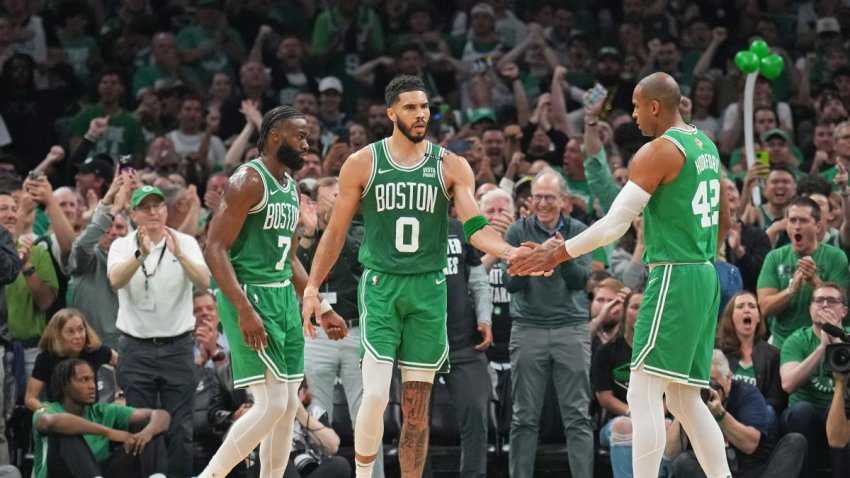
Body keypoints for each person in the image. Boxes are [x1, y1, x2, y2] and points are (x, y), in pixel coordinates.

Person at [509, 72, 732, 478]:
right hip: (704, 273)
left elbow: (615, 225)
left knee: (644, 390)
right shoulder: (705, 144)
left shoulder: (658, 152)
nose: (631, 114)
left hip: (674, 275)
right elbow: (724, 213)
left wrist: (557, 253)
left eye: (634, 105)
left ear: (654, 106)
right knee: (684, 400)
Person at [300, 75, 519, 478]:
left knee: (417, 412)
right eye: (411, 107)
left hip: (429, 289)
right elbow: (334, 233)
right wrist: (312, 286)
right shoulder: (363, 162)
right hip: (383, 284)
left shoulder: (451, 164)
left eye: (424, 107)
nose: (421, 115)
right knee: (378, 395)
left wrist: (510, 250)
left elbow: (475, 226)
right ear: (390, 113)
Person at [200, 105, 348, 478]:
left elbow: (290, 259)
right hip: (251, 295)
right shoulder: (248, 180)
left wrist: (320, 304)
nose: (306, 144)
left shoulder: (288, 186)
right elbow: (214, 248)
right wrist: (243, 308)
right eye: (300, 136)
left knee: (285, 407)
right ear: (276, 136)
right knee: (269, 406)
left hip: (283, 297)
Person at [107, 184, 210, 478]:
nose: (153, 212)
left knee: (181, 427)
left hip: (177, 348)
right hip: (136, 348)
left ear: (166, 210)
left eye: (158, 206)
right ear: (134, 213)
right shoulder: (122, 245)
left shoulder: (186, 242)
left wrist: (180, 254)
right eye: (146, 208)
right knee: (140, 424)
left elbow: (203, 281)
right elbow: (115, 279)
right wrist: (140, 254)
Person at [502, 169, 595, 478]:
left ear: (563, 200)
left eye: (549, 197)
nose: (542, 203)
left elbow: (580, 281)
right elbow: (510, 285)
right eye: (537, 197)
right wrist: (525, 262)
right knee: (523, 417)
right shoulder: (517, 231)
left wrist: (561, 253)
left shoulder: (579, 230)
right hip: (528, 327)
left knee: (578, 416)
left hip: (571, 326)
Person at [669, 350, 807, 478]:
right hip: (715, 472)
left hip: (754, 471)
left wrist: (720, 415)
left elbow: (750, 445)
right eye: (701, 381)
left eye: (711, 381)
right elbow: (670, 453)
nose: (707, 388)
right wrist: (682, 408)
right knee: (682, 461)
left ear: (728, 377)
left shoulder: (747, 394)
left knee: (795, 441)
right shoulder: (692, 399)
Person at [32, 359, 170, 478]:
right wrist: (109, 432)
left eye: (93, 379)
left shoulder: (103, 411)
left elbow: (161, 415)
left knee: (147, 425)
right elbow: (52, 422)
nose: (92, 386)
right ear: (65, 386)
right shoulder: (47, 409)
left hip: (102, 471)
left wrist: (148, 433)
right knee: (65, 431)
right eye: (84, 380)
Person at [779, 282, 850, 477]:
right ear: (810, 309)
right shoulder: (797, 340)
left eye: (832, 301)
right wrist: (822, 349)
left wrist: (840, 344)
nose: (825, 305)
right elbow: (788, 384)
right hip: (803, 416)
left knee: (840, 413)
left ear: (844, 311)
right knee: (802, 410)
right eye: (819, 301)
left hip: (839, 413)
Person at [25, 308, 117, 412]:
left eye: (81, 329)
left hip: (91, 413)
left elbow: (121, 363)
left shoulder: (95, 351)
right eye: (70, 332)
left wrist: (120, 395)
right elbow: (30, 398)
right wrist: (48, 411)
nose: (78, 336)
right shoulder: (46, 358)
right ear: (57, 335)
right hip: (59, 414)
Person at [715, 292, 786, 415]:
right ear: (731, 316)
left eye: (752, 306)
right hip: (723, 411)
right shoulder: (717, 350)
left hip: (757, 416)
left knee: (769, 412)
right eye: (740, 306)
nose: (747, 310)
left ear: (759, 317)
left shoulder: (773, 355)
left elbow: (776, 400)